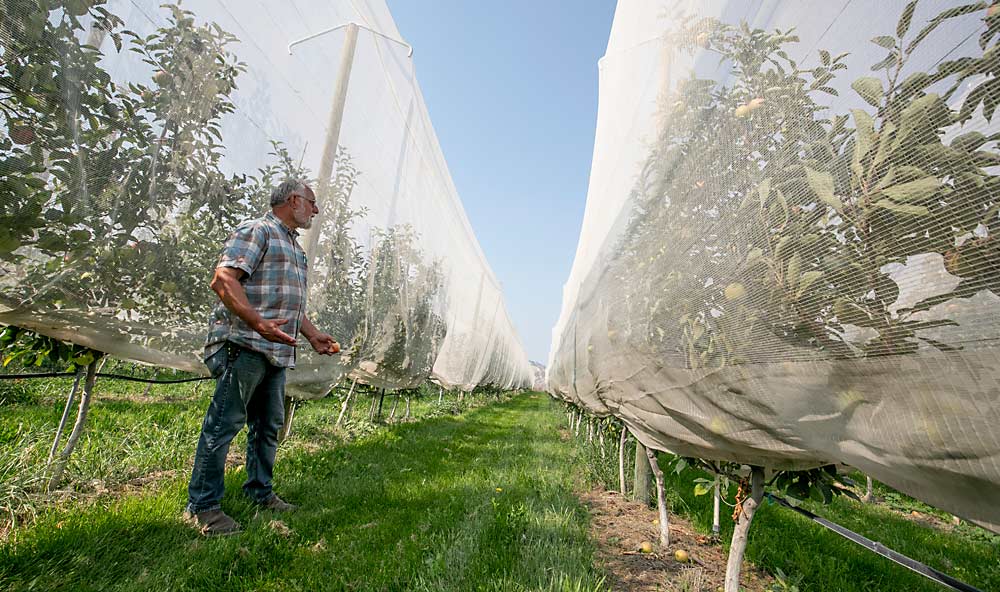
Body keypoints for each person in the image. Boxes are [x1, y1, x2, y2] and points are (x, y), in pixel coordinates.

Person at [184, 178, 340, 536]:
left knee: (269, 426)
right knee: (224, 425)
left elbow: (288, 302)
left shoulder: (293, 247)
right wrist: (258, 324)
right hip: (245, 345)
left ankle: (260, 492)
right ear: (293, 199)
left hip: (275, 350)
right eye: (312, 203)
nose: (315, 210)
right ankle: (203, 507)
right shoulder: (258, 231)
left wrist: (312, 334)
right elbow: (224, 280)